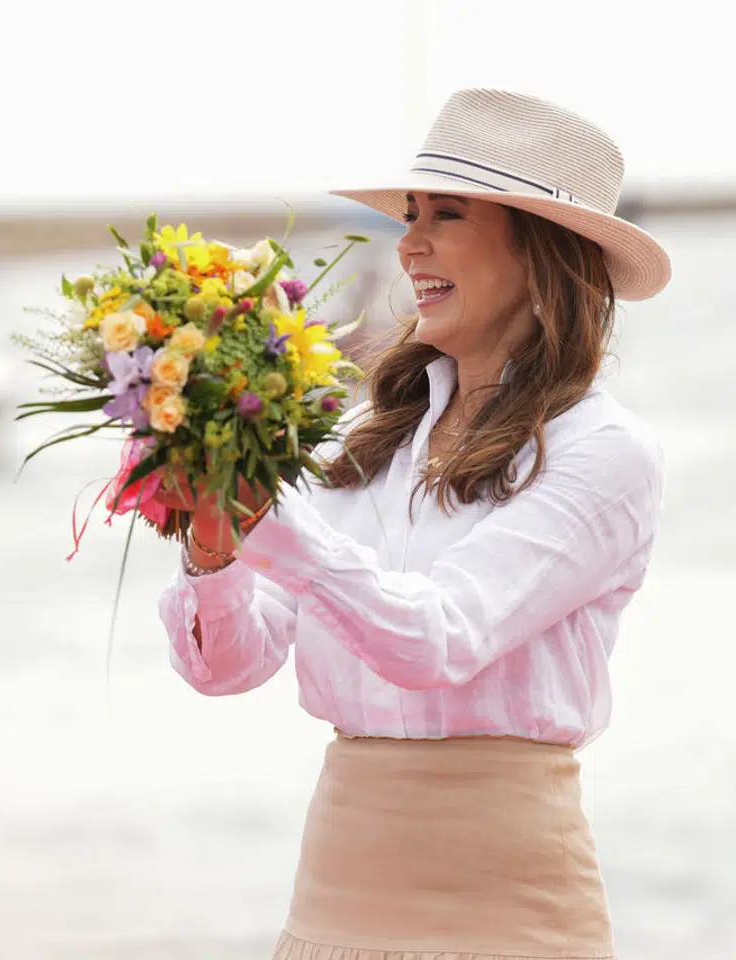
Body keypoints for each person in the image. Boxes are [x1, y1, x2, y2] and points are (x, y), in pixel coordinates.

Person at [153, 88, 671, 959]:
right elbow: (230, 668)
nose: (411, 242)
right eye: (410, 215)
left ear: (542, 252)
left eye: (447, 215)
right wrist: (213, 541)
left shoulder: (606, 452)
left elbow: (440, 637)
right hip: (332, 901)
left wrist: (262, 512)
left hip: (506, 917)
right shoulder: (364, 440)